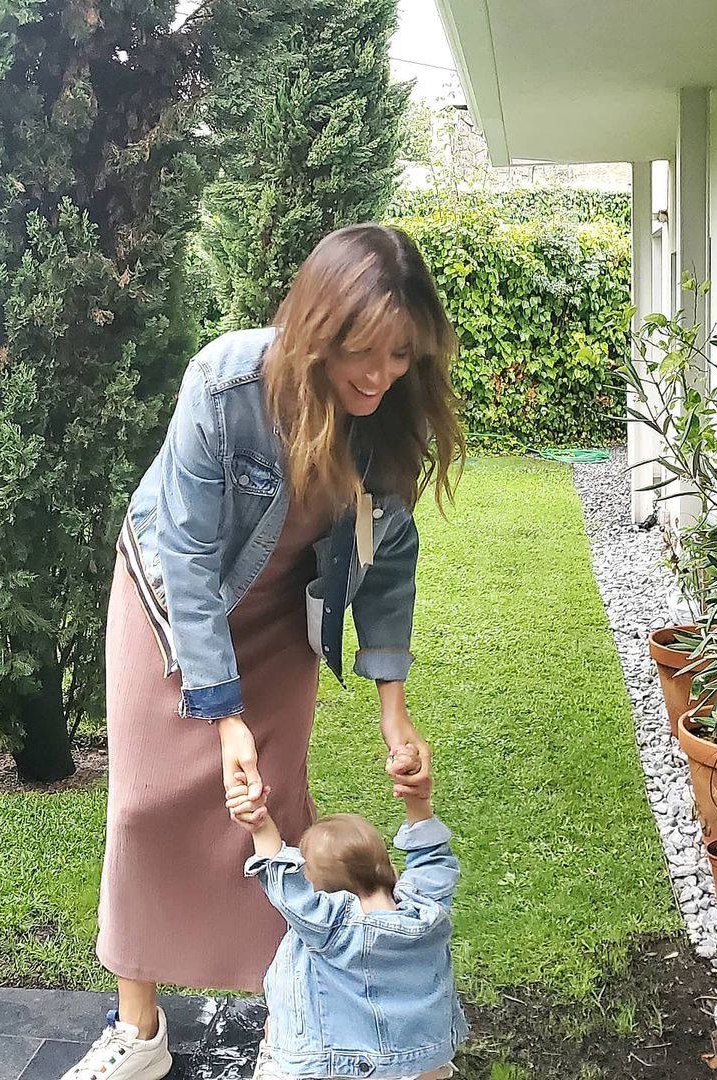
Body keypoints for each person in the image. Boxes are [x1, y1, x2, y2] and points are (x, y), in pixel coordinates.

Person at [63, 223, 464, 1080]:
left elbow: (386, 562)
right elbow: (186, 556)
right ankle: (138, 1030)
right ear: (319, 328)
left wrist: (394, 710)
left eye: (400, 354)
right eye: (362, 351)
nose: (379, 374)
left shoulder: (383, 420)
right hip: (168, 603)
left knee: (270, 803)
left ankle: (295, 1018)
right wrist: (223, 713)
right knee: (144, 809)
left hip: (282, 614)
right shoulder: (227, 383)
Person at [226, 743, 468, 1080]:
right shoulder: (427, 909)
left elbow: (281, 879)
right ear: (392, 871)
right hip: (422, 1056)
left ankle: (277, 1062)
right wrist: (417, 801)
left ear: (318, 893)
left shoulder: (329, 926)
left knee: (278, 1030)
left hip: (333, 1064)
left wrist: (259, 824)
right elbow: (433, 859)